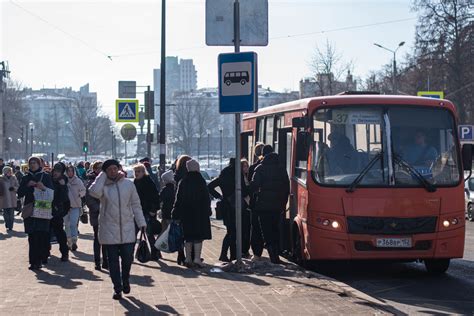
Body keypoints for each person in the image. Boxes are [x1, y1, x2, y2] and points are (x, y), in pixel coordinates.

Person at [89, 159, 147, 300]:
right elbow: (93, 192)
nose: (112, 171)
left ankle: (125, 279)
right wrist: (102, 176)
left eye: (115, 168)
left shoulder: (128, 184)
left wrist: (141, 223)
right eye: (109, 169)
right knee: (113, 262)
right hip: (109, 228)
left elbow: (136, 204)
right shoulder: (103, 186)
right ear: (105, 171)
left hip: (127, 227)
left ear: (119, 168)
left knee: (127, 259)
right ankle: (117, 288)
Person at [250, 145, 290, 264]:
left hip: (263, 206)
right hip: (277, 206)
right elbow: (286, 187)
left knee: (266, 231)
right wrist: (283, 204)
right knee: (275, 230)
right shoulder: (281, 168)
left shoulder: (260, 168)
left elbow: (254, 186)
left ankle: (273, 257)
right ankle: (276, 256)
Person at [208, 158, 250, 262]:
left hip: (226, 206)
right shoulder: (237, 174)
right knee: (235, 232)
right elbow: (244, 191)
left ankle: (226, 255)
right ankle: (232, 256)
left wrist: (220, 196)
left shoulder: (223, 173)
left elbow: (210, 186)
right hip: (237, 207)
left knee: (230, 231)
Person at [172, 159, 211, 268]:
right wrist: (208, 210)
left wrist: (175, 212)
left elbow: (178, 199)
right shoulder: (201, 181)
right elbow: (206, 198)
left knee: (188, 236)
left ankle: (188, 258)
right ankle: (197, 259)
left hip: (186, 213)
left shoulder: (183, 181)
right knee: (198, 237)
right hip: (200, 213)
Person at [18, 157, 54, 270]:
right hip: (29, 209)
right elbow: (19, 193)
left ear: (39, 164)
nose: (33, 165)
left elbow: (52, 192)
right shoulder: (25, 178)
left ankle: (41, 257)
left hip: (42, 209)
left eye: (35, 163)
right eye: (31, 163)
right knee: (31, 236)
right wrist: (28, 186)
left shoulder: (46, 177)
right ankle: (33, 261)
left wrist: (43, 187)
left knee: (41, 235)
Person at [133, 163, 161, 261]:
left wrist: (153, 210)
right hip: (137, 211)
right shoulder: (135, 182)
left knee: (149, 233)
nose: (137, 173)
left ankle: (155, 253)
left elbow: (155, 197)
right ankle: (129, 254)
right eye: (135, 171)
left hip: (147, 211)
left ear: (143, 172)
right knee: (133, 233)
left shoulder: (148, 182)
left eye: (139, 171)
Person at [85, 160, 108, 271]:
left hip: (108, 214)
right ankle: (97, 261)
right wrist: (99, 208)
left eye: (102, 168)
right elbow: (89, 199)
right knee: (97, 238)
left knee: (107, 239)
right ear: (94, 169)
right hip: (96, 214)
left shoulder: (108, 180)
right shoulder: (91, 181)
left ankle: (106, 260)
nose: (100, 170)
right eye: (98, 168)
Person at [49, 162, 71, 262]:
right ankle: (45, 252)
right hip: (47, 209)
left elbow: (64, 199)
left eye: (58, 171)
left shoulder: (63, 181)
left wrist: (62, 186)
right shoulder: (49, 179)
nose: (55, 173)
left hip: (57, 211)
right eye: (55, 171)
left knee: (60, 234)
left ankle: (64, 253)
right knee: (46, 232)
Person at [173, 155, 192, 265]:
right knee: (189, 234)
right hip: (188, 208)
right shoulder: (188, 177)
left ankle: (181, 255)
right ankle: (190, 256)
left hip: (180, 208)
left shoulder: (177, 175)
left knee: (180, 233)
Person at [248, 143, 265, 261]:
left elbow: (251, 186)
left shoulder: (253, 168)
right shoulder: (279, 166)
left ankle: (257, 254)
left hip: (256, 203)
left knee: (256, 229)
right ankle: (274, 255)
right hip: (271, 204)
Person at [64, 165, 86, 251]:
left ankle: (74, 241)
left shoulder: (78, 181)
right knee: (66, 225)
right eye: (68, 171)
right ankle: (69, 241)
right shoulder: (63, 181)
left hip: (75, 206)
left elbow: (83, 190)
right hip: (65, 206)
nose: (70, 172)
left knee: (73, 224)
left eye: (71, 171)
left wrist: (79, 194)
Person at [0, 166, 20, 231]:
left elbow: (17, 186)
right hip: (4, 198)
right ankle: (7, 223)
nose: (10, 172)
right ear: (5, 172)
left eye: (10, 171)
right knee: (5, 214)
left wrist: (14, 188)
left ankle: (10, 226)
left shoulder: (14, 178)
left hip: (12, 198)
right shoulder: (1, 178)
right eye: (9, 171)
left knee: (11, 214)